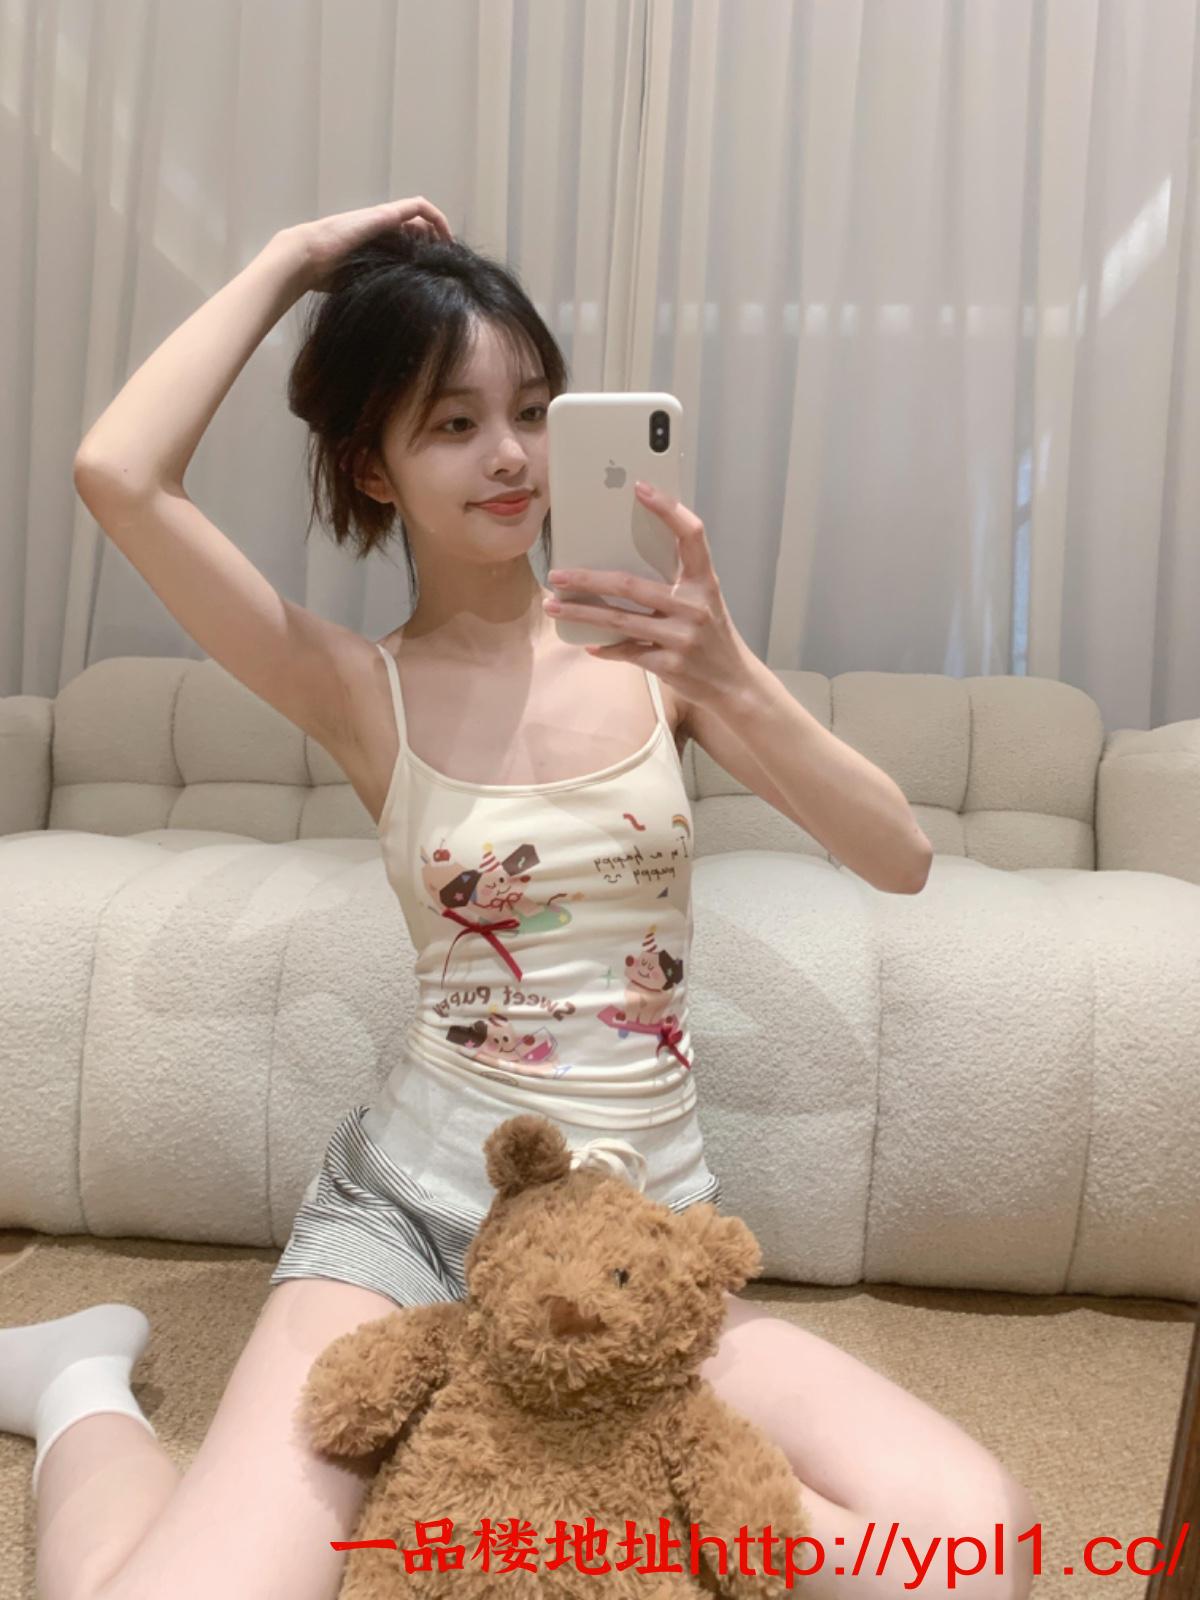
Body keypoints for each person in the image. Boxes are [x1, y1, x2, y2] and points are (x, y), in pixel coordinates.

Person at [2, 198, 1035, 1600]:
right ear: (369, 468)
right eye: (453, 423)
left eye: (535, 412)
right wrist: (294, 259)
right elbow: (118, 473)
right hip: (407, 1229)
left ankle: (581, 1433)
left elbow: (899, 855)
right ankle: (80, 1388)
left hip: (630, 1249)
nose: (512, 456)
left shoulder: (662, 660)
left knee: (969, 1552)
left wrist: (730, 673)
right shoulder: (354, 687)